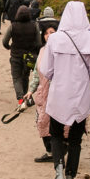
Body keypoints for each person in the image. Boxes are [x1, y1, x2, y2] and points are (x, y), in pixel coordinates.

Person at [41, 1, 90, 179]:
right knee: (75, 140)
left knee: (56, 134)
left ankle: (58, 170)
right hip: (82, 96)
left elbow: (46, 70)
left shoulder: (55, 39)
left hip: (60, 94)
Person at [26, 21, 59, 162]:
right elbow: (36, 72)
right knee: (41, 121)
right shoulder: (42, 51)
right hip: (43, 93)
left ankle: (60, 150)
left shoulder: (61, 50)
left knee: (58, 123)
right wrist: (31, 90)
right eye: (46, 33)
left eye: (51, 32)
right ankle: (50, 151)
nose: (48, 35)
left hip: (57, 93)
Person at [1, 5, 41, 99]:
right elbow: (39, 43)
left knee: (16, 78)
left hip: (16, 56)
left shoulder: (13, 26)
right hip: (29, 56)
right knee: (25, 77)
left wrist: (9, 47)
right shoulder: (34, 25)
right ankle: (25, 97)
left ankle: (20, 99)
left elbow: (4, 41)